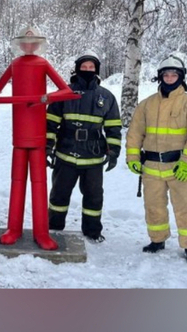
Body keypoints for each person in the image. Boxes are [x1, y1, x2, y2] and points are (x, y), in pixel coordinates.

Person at [0, 27, 79, 250]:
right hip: (20, 137)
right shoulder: (15, 64)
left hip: (38, 137)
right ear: (20, 45)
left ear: (38, 44)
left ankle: (42, 233)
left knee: (39, 185)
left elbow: (66, 91)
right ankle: (13, 229)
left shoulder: (42, 64)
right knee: (17, 183)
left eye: (33, 42)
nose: (29, 46)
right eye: (25, 42)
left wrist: (46, 97)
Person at [125, 55, 187, 262]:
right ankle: (157, 239)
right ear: (160, 77)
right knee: (153, 206)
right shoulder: (146, 105)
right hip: (151, 167)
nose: (170, 78)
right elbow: (135, 133)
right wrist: (132, 157)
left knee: (186, 207)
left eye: (174, 75)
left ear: (181, 77)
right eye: (166, 74)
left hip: (178, 167)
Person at [46, 51, 122, 243]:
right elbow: (50, 123)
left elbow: (113, 126)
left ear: (97, 70)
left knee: (94, 197)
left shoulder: (106, 97)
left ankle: (92, 231)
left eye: (91, 67)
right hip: (65, 154)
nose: (87, 70)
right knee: (59, 196)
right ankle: (54, 228)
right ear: (77, 69)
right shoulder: (63, 94)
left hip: (93, 157)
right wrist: (47, 147)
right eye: (84, 66)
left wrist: (113, 151)